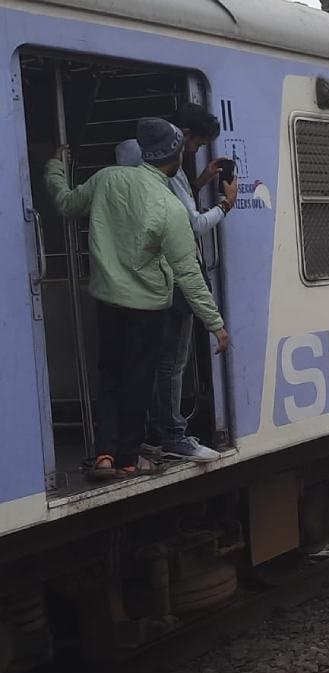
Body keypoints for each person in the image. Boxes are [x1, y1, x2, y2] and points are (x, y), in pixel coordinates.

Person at [45, 118, 229, 480]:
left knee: (110, 378)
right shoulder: (168, 205)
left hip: (108, 302)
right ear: (174, 156)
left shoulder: (107, 179)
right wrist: (216, 324)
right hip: (147, 308)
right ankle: (128, 458)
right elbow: (189, 275)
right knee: (138, 380)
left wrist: (55, 167)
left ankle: (104, 456)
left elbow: (67, 204)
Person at [115, 104, 236, 463]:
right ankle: (173, 434)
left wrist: (198, 182)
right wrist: (226, 205)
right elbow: (193, 224)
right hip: (173, 282)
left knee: (152, 359)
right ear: (182, 136)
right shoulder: (163, 171)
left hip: (147, 280)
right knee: (173, 362)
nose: (196, 151)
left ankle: (152, 432)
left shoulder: (143, 168)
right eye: (196, 143)